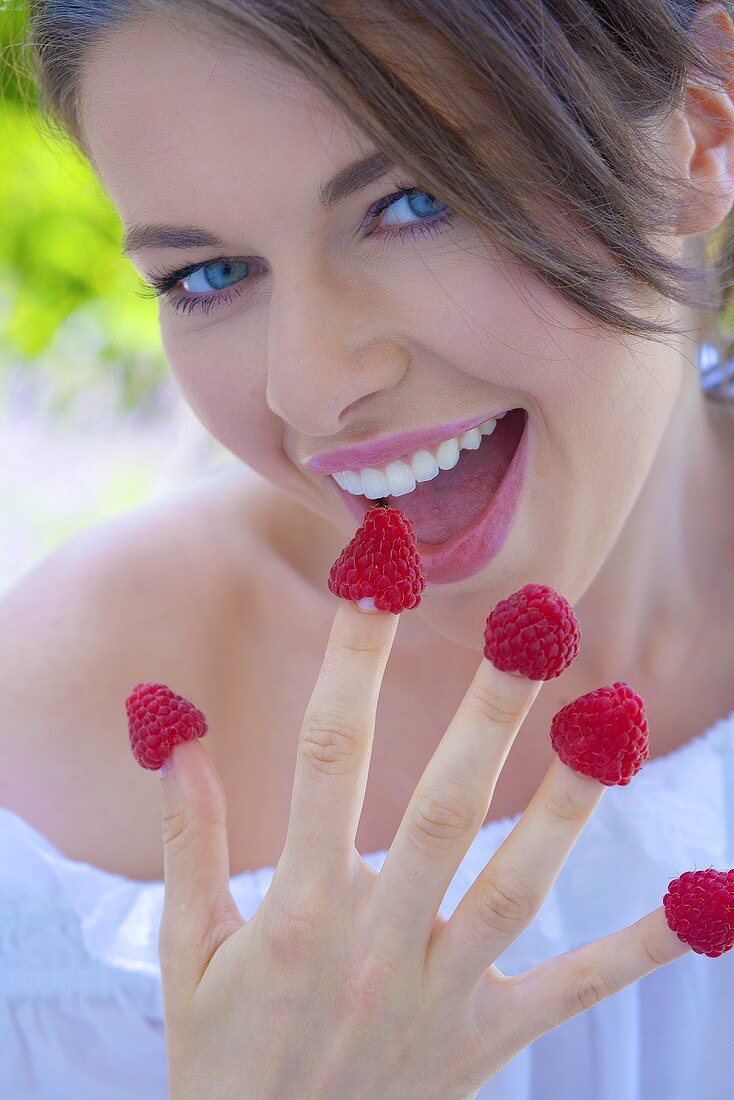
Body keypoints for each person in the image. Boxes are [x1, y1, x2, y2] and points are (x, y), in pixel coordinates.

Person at [2, 0, 734, 1095]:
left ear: (697, 127)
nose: (307, 387)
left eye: (413, 200)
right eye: (206, 274)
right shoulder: (53, 761)